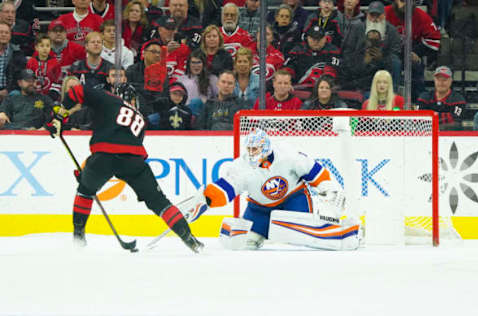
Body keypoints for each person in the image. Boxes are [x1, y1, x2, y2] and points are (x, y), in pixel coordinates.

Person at [47, 82, 203, 253]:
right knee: (160, 202)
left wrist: (59, 116)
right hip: (134, 161)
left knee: (85, 190)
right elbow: (124, 144)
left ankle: (78, 238)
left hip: (104, 156)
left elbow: (76, 91)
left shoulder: (107, 97)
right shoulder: (141, 119)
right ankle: (190, 239)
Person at [189, 128, 361, 250]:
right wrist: (207, 199)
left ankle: (347, 233)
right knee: (246, 242)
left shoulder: (287, 153)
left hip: (293, 200)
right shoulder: (240, 166)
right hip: (260, 209)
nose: (250, 152)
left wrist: (329, 188)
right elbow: (226, 188)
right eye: (248, 149)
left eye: (254, 149)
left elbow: (312, 170)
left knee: (302, 240)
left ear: (264, 147)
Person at [385, 0, 441, 102]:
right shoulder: (385, 12)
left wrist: (416, 52)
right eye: (402, 1)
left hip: (410, 55)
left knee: (415, 65)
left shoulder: (421, 16)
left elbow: (434, 40)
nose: (405, 4)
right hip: (388, 55)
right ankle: (391, 99)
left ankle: (418, 102)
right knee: (394, 63)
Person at [417, 66, 467, 130]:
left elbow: (456, 122)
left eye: (444, 80)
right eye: (438, 79)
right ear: (434, 80)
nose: (441, 82)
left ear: (451, 80)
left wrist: (431, 116)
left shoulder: (458, 99)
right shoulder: (424, 97)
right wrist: (446, 117)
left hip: (451, 137)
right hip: (426, 136)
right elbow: (419, 118)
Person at [177, 49, 218, 117]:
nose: (196, 65)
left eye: (199, 62)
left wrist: (208, 102)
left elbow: (220, 98)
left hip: (204, 113)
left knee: (196, 102)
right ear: (189, 64)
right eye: (193, 62)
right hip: (184, 112)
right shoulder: (181, 79)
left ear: (204, 64)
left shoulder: (212, 79)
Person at [26, 33, 62, 99]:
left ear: (51, 47)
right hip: (33, 95)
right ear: (36, 47)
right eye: (42, 46)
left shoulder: (55, 63)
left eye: (47, 46)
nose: (45, 48)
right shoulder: (31, 62)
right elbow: (28, 79)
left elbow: (58, 80)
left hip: (51, 96)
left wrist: (53, 93)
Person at [0, 21, 26, 101]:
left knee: (16, 94)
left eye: (6, 33)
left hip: (10, 90)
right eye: (1, 32)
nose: (3, 35)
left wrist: (7, 90)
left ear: (10, 36)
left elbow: (18, 76)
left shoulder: (17, 53)